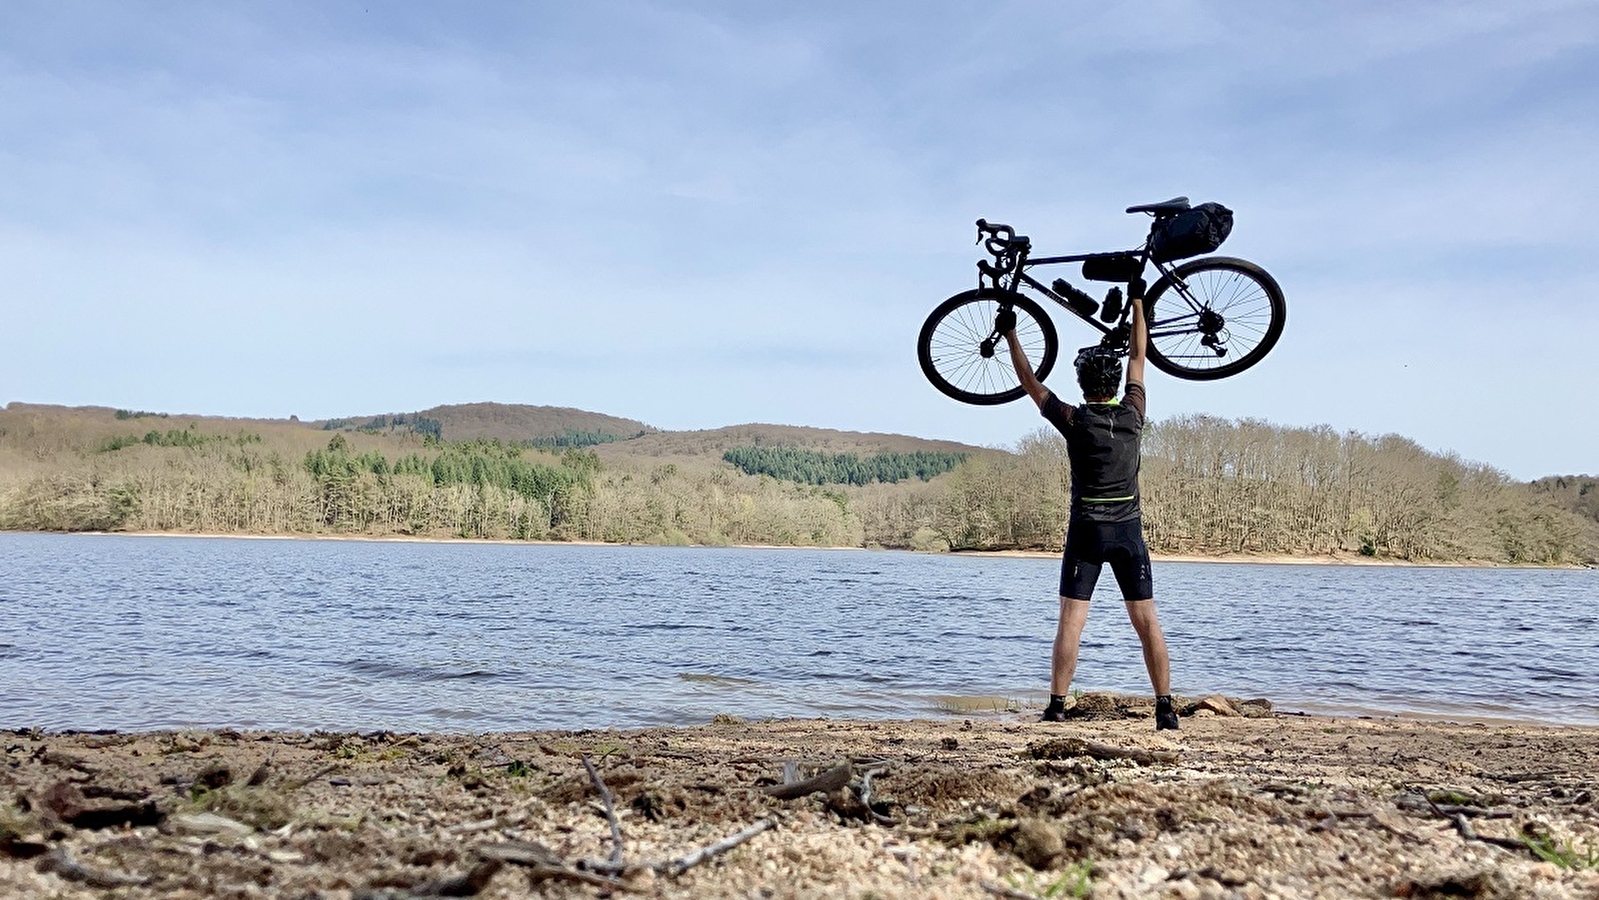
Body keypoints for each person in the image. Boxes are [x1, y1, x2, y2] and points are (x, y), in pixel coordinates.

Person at [995, 281, 1179, 730]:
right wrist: (1138, 301)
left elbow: (1028, 382)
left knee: (1071, 623)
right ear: (1114, 385)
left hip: (1087, 535)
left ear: (1082, 384)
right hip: (1128, 534)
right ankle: (1166, 709)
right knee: (1147, 621)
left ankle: (1057, 706)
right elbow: (1139, 355)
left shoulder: (1074, 420)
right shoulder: (1133, 414)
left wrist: (1011, 335)